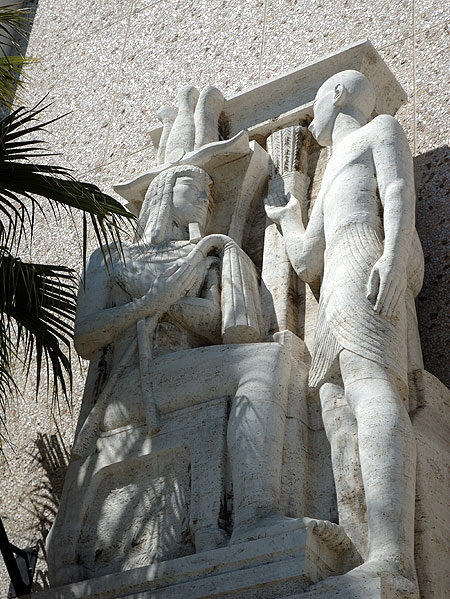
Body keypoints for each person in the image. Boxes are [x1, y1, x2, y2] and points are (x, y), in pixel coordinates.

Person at [47, 163, 296, 585]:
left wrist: (170, 303)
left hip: (180, 373)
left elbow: (213, 319)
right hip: (128, 388)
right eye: (195, 187)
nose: (205, 198)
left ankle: (256, 511)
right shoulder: (111, 258)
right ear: (165, 191)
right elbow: (86, 336)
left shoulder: (201, 257)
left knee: (265, 360)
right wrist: (143, 307)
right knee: (260, 365)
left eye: (211, 193)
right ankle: (255, 514)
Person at [265, 70, 423, 595]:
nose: (311, 120)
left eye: (314, 106)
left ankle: (394, 557)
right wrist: (289, 216)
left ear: (337, 95)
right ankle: (364, 554)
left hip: (365, 265)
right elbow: (309, 257)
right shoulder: (331, 165)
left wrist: (395, 256)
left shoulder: (380, 131)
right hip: (331, 288)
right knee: (334, 409)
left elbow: (397, 189)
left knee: (371, 388)